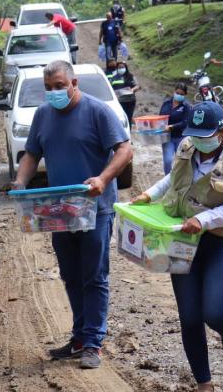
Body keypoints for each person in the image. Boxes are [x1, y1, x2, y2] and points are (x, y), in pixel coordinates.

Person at [12, 60, 132, 370]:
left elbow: (124, 150)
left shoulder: (97, 111)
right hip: (59, 210)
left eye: (60, 85)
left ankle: (93, 342)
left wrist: (103, 179)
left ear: (74, 83)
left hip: (96, 208)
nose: (54, 92)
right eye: (48, 88)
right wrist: (20, 182)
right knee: (71, 274)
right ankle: (79, 337)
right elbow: (32, 154)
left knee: (94, 276)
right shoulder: (42, 115)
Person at [131, 101, 223, 392]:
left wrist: (204, 219)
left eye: (206, 134)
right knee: (189, 316)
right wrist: (149, 195)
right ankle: (204, 383)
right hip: (184, 239)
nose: (199, 140)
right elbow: (174, 178)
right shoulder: (187, 147)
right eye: (195, 134)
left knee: (216, 312)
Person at [160, 82, 192, 174]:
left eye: (182, 94)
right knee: (167, 160)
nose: (179, 95)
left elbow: (185, 122)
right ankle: (167, 181)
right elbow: (160, 117)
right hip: (167, 137)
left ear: (185, 95)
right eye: (177, 93)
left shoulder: (186, 106)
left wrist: (172, 126)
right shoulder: (166, 103)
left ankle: (180, 180)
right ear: (174, 92)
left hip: (180, 137)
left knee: (181, 161)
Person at [108, 61, 140, 126]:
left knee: (129, 117)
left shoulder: (131, 76)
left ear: (126, 68)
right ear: (117, 68)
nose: (121, 69)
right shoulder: (113, 78)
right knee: (120, 117)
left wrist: (133, 89)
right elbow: (109, 88)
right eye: (119, 67)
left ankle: (129, 132)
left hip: (130, 100)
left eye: (122, 67)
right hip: (119, 101)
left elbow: (138, 86)